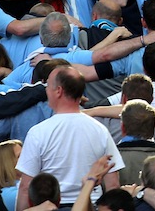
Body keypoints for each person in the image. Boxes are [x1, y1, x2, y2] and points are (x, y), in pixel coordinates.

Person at [16, 66, 124, 209]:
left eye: (48, 86)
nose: (45, 90)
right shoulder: (100, 130)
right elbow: (113, 184)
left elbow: (25, 186)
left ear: (58, 91)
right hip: (91, 206)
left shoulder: (38, 132)